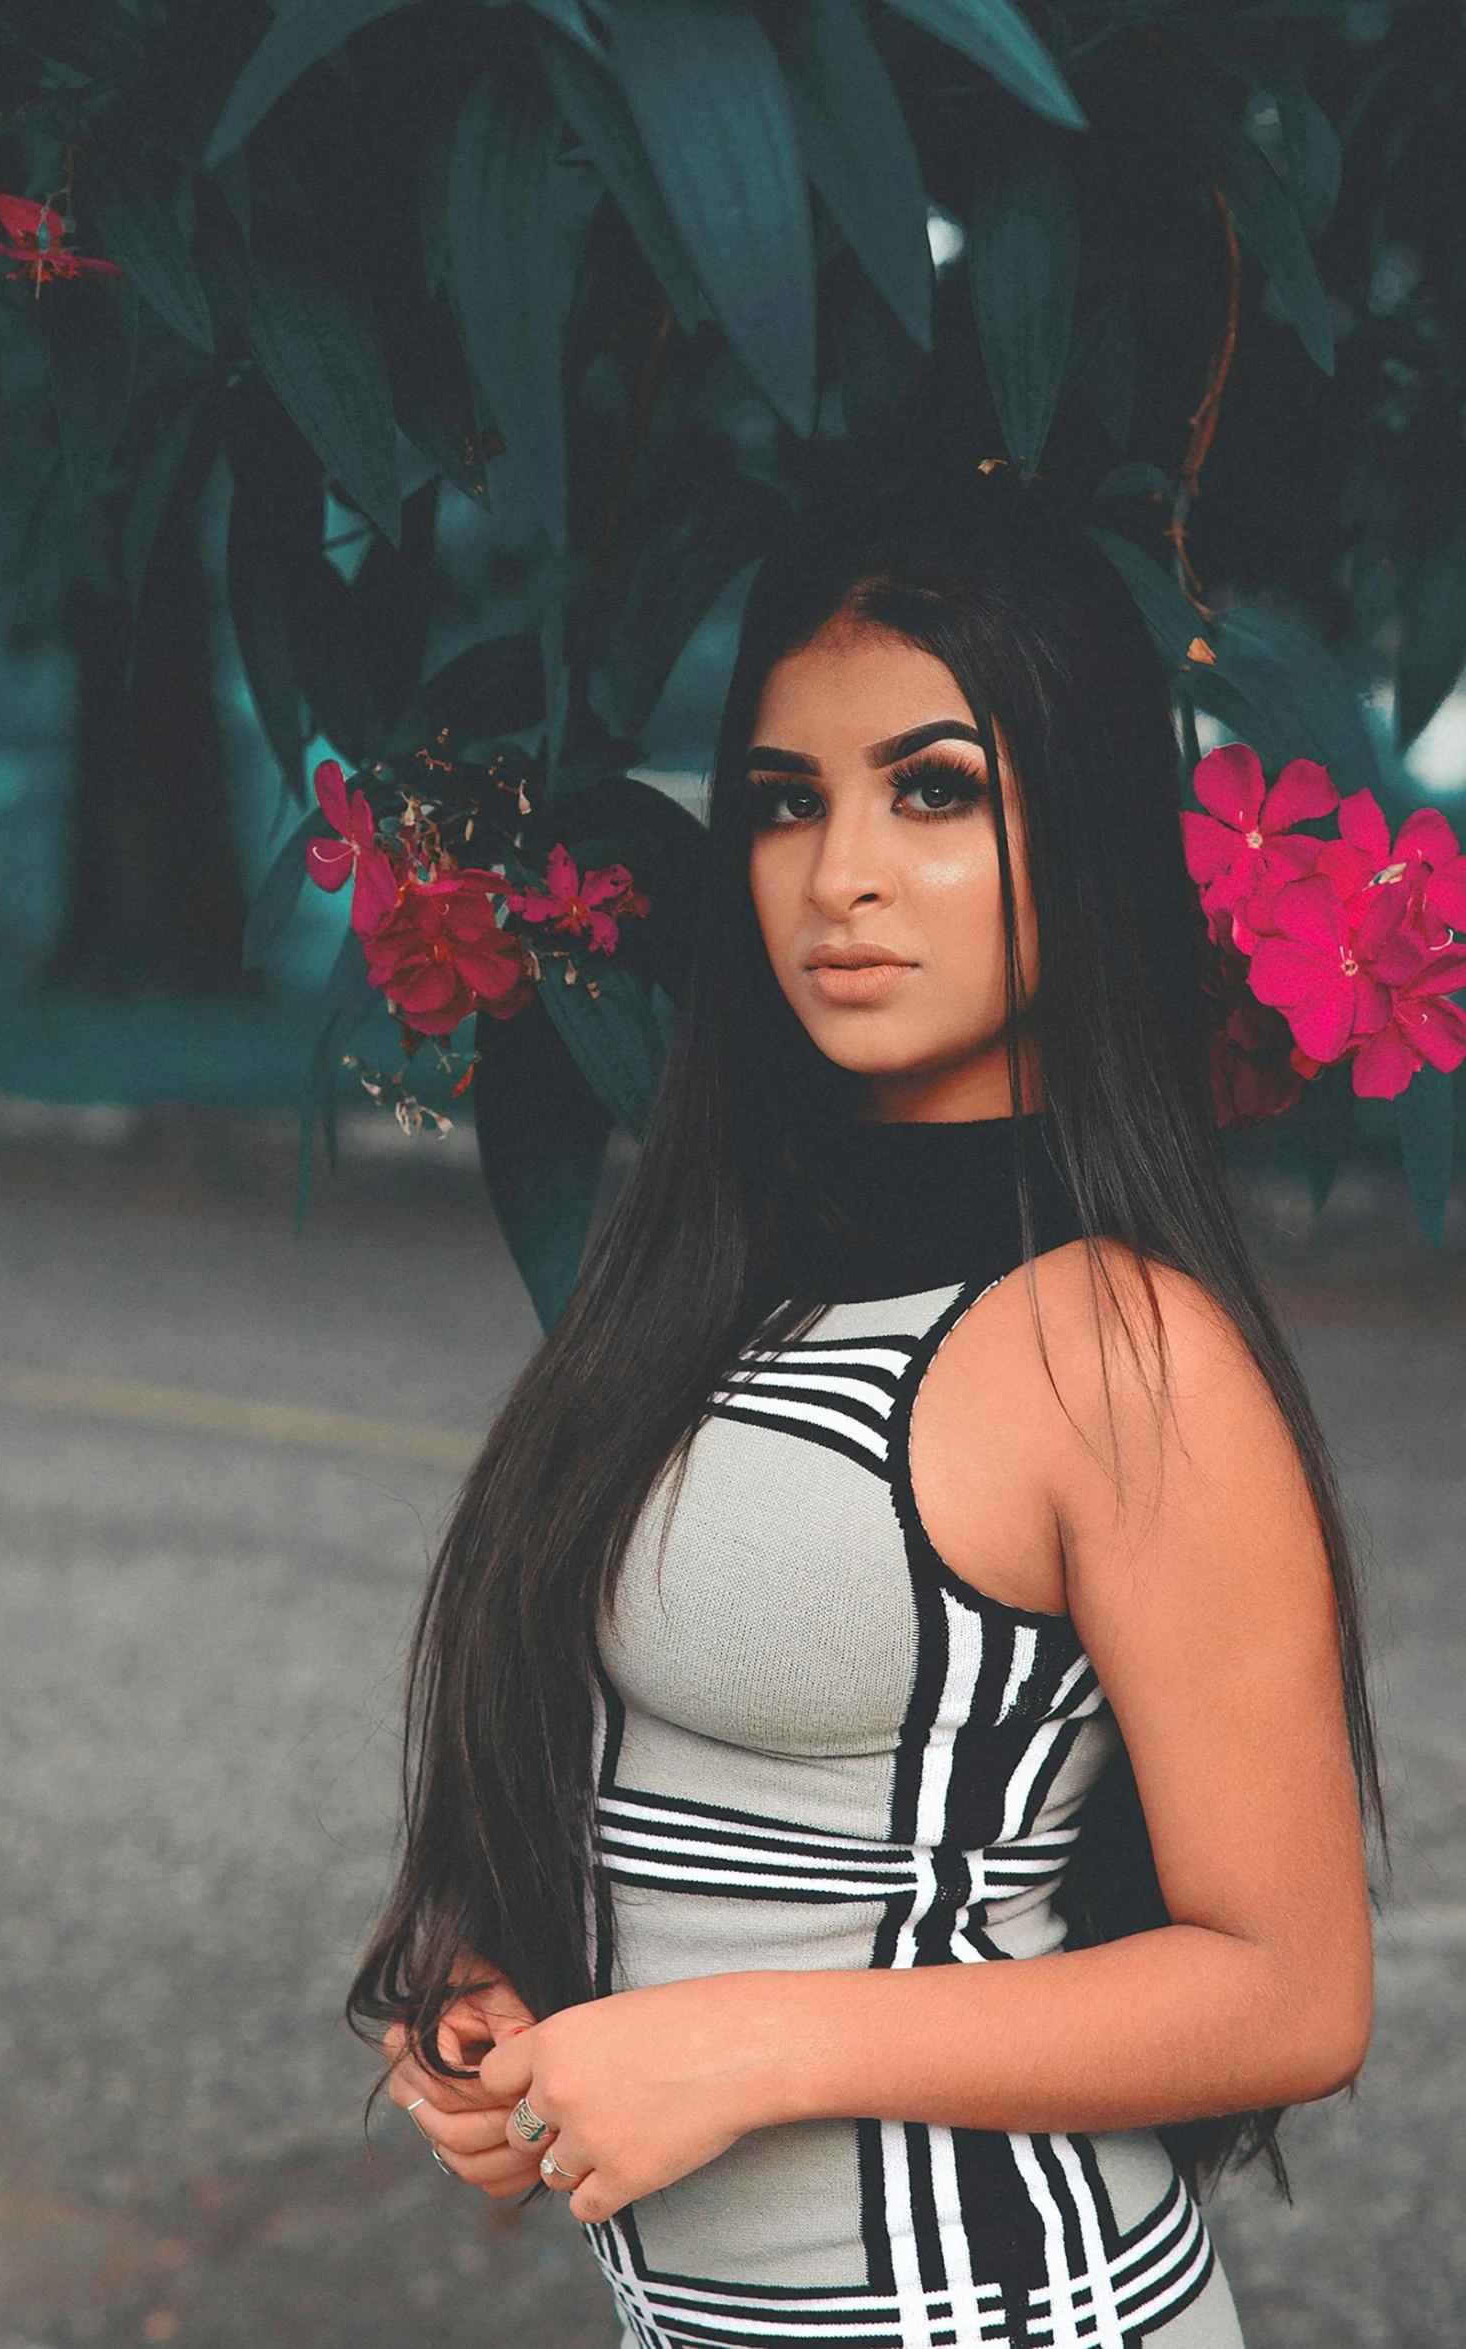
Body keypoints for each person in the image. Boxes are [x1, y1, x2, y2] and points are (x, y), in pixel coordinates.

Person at [348, 470, 1379, 2349]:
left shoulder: (1118, 1353)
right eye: (782, 802)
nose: (841, 877)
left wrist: (733, 2045)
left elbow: (1290, 1991)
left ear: (1074, 822)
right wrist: (526, 1990)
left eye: (935, 790)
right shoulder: (720, 1287)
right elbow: (732, 1798)